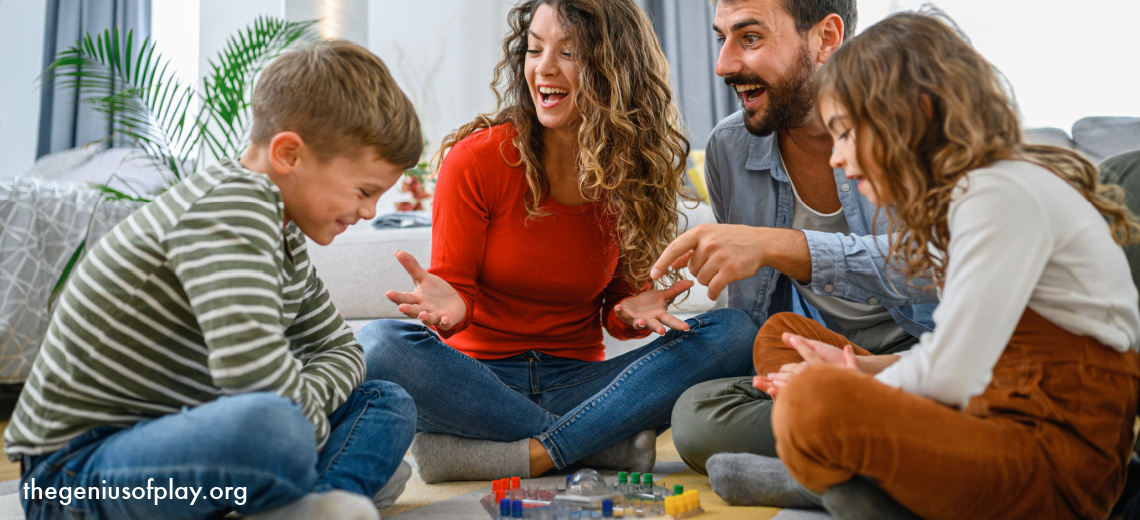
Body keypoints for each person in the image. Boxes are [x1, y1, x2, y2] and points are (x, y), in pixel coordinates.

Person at [734, 12, 1139, 520]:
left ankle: (820, 479)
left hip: (1049, 457)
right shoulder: (965, 198)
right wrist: (859, 366)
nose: (836, 158)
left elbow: (951, 374)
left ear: (916, 114)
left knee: (811, 405)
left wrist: (850, 387)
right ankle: (850, 477)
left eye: (846, 133)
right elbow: (972, 362)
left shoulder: (997, 193)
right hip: (984, 406)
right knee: (780, 337)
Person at [4, 40, 422, 520]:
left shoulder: (285, 234)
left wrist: (297, 410)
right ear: (289, 154)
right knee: (276, 430)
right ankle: (329, 485)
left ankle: (315, 494)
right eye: (364, 191)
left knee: (385, 400)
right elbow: (262, 394)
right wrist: (304, 424)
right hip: (70, 479)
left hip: (177, 440)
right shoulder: (229, 208)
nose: (369, 212)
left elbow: (342, 350)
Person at [357, 0, 758, 483]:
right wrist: (455, 308)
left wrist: (629, 311)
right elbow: (454, 294)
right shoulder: (478, 161)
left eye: (569, 52)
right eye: (533, 49)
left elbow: (616, 307)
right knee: (378, 344)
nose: (543, 68)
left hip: (582, 384)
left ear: (615, 69)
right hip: (479, 385)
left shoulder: (629, 175)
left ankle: (530, 452)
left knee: (734, 333)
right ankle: (595, 445)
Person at [665, 0, 937, 477]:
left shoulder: (910, 129)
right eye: (721, 38)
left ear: (826, 39)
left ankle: (861, 452)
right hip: (817, 353)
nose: (723, 64)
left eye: (749, 38)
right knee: (696, 418)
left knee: (980, 388)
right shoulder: (730, 148)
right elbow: (749, 314)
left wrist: (777, 244)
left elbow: (931, 268)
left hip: (925, 350)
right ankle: (892, 450)